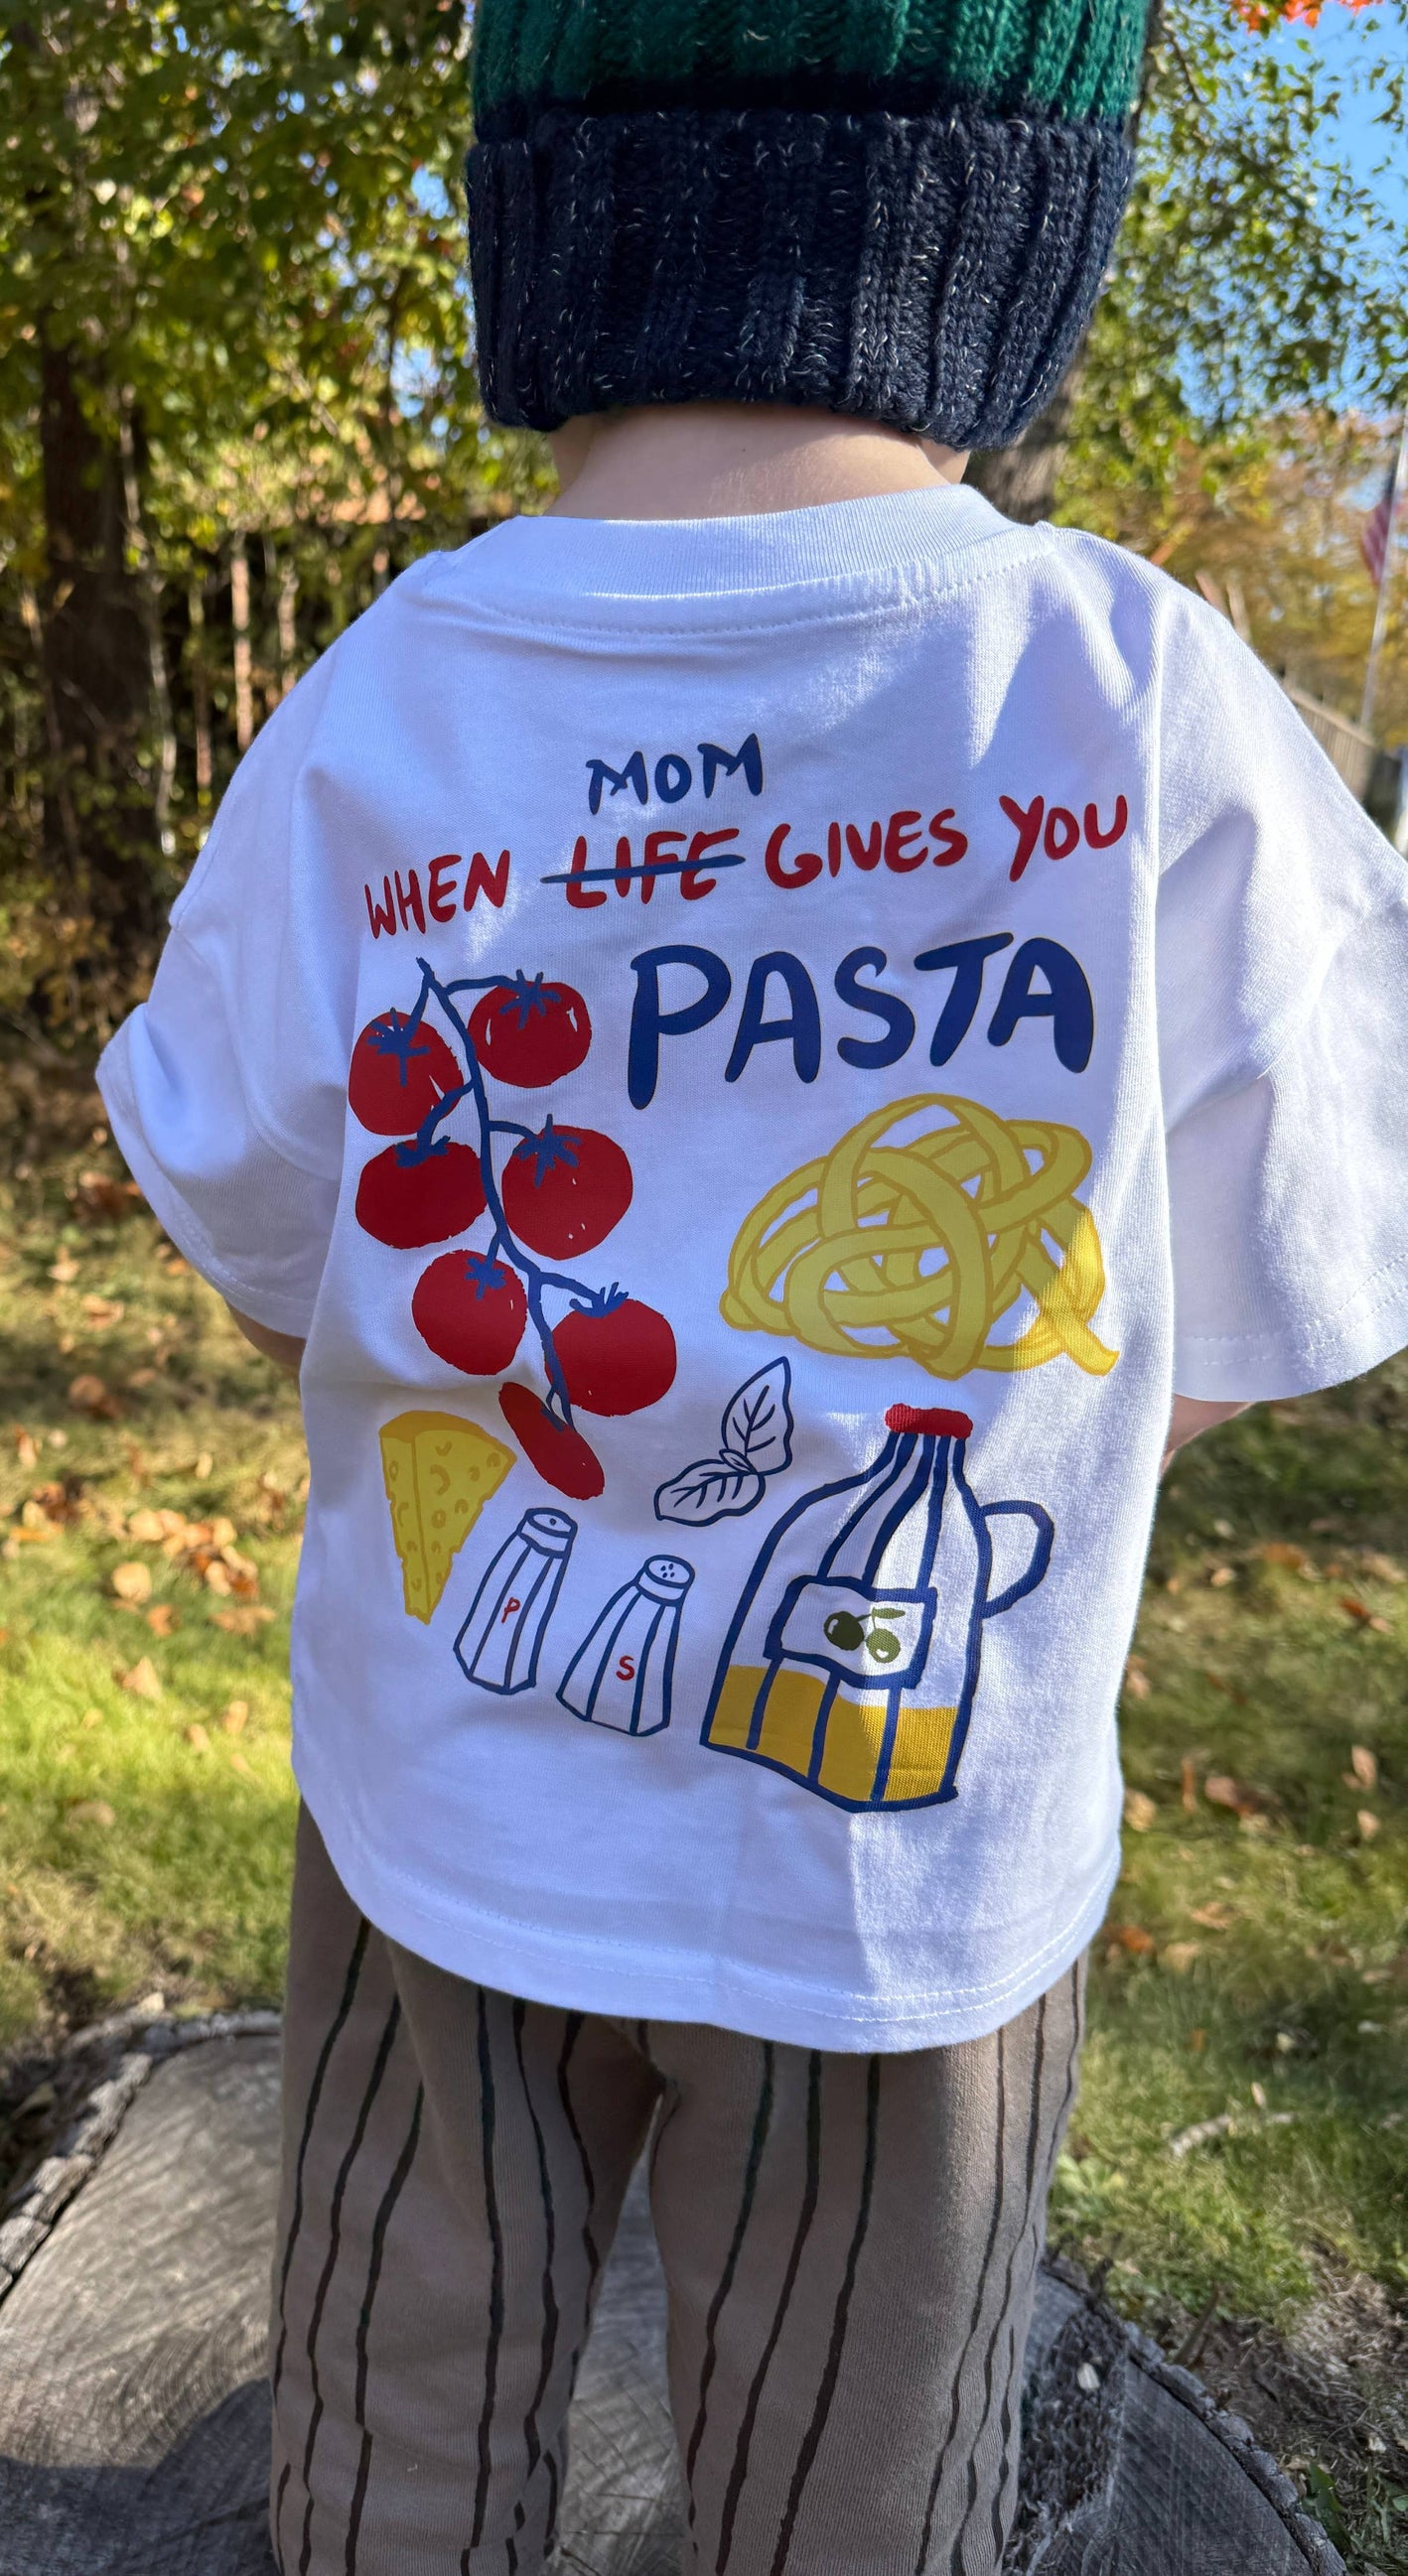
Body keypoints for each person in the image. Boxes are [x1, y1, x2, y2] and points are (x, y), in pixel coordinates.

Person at [98, 0, 1408, 2558]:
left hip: (449, 1796)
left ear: (545, 205)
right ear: (1016, 229)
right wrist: (1039, 1435)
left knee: (399, 2404)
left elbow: (257, 1226)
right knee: (852, 2469)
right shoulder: (1127, 682)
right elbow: (1285, 1262)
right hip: (899, 1861)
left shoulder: (398, 692)